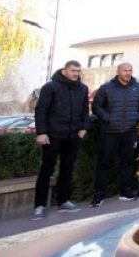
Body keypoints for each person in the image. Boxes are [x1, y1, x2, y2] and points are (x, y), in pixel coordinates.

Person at [32, 61, 90, 220]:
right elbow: (41, 111)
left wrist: (84, 128)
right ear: (64, 71)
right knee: (47, 170)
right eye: (73, 70)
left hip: (73, 136)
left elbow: (85, 110)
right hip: (52, 135)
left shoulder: (82, 89)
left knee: (67, 169)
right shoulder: (50, 87)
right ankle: (39, 205)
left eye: (78, 71)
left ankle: (63, 201)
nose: (76, 73)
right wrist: (41, 132)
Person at [91, 63, 139, 207]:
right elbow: (97, 106)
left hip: (130, 131)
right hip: (110, 132)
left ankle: (126, 192)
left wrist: (137, 117)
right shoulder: (106, 88)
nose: (128, 73)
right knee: (104, 163)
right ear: (118, 72)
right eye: (125, 70)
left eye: (130, 70)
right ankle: (99, 194)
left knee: (128, 163)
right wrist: (107, 118)